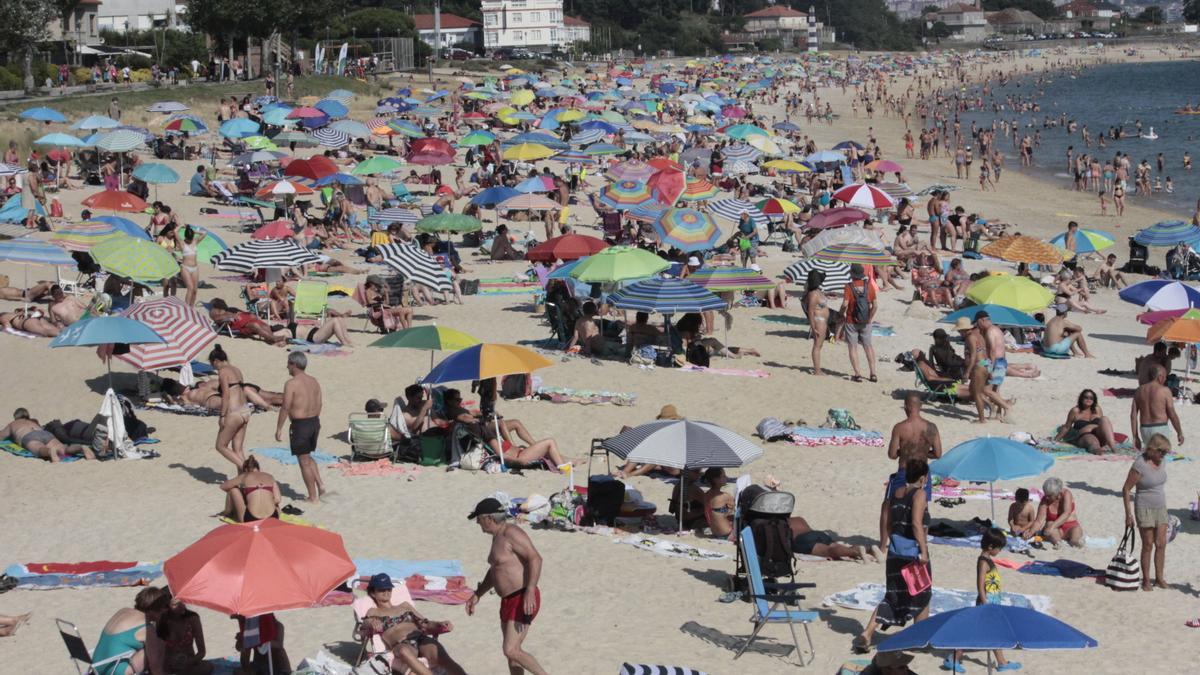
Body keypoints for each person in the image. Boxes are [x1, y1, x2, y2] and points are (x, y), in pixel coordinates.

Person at [853, 458, 931, 653]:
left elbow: (888, 522)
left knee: (893, 595)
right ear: (923, 478)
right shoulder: (919, 494)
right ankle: (918, 638)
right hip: (912, 552)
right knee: (921, 593)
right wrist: (923, 550)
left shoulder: (895, 493)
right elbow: (916, 523)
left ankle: (867, 633)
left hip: (895, 552)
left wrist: (886, 544)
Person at [466, 497, 549, 675]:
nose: (478, 523)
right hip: (508, 600)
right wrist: (478, 594)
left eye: (478, 519)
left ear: (489, 518)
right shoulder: (497, 537)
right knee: (512, 654)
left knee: (511, 649)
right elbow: (496, 569)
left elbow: (535, 558)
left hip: (522, 596)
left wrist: (530, 590)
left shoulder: (511, 533)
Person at [946, 529, 1020, 673]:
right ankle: (953, 658)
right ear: (991, 546)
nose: (999, 551)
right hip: (986, 602)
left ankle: (1002, 662)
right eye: (999, 548)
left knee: (994, 633)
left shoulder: (987, 559)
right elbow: (980, 583)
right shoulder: (983, 562)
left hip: (992, 601)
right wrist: (984, 600)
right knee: (974, 633)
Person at [441, 389, 572, 471]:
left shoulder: (488, 436)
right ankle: (562, 467)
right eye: (457, 399)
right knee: (550, 442)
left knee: (551, 449)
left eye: (460, 398)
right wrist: (518, 461)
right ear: (449, 401)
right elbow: (504, 457)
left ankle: (567, 461)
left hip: (519, 451)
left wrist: (484, 414)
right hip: (520, 455)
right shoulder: (456, 414)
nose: (460, 400)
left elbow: (471, 414)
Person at [361, 573, 465, 675]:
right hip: (402, 644)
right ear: (373, 593)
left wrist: (439, 624)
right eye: (381, 590)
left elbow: (425, 623)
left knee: (444, 659)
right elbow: (364, 625)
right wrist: (370, 622)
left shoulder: (405, 606)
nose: (386, 592)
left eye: (389, 589)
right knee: (403, 651)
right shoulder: (373, 612)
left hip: (420, 638)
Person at [1122, 433, 1171, 592]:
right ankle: (1146, 580)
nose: (1163, 455)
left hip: (1161, 506)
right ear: (1152, 450)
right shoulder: (1140, 464)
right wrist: (1128, 514)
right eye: (1161, 451)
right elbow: (1126, 489)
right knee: (1148, 545)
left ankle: (1160, 578)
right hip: (1144, 507)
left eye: (1165, 452)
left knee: (1161, 544)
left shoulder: (1162, 462)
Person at [91, 586, 171, 675]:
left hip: (96, 666)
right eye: (164, 608)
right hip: (114, 671)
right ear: (153, 610)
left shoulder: (123, 611)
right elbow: (155, 665)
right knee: (156, 645)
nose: (165, 611)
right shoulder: (146, 628)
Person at [277, 352, 324, 503]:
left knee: (303, 461)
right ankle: (320, 485)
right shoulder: (314, 381)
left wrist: (279, 428)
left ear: (294, 364)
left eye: (288, 364)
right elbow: (320, 403)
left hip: (301, 425)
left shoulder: (291, 383)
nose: (287, 367)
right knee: (308, 456)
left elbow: (285, 406)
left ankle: (312, 496)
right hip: (314, 422)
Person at [0, 407, 95, 461]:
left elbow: (1, 436)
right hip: (44, 433)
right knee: (63, 448)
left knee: (39, 449)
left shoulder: (12, 424)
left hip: (29, 436)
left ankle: (50, 452)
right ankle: (80, 448)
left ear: (15, 417)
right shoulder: (33, 421)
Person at [209, 345, 250, 469]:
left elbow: (226, 395)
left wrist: (222, 416)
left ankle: (248, 469)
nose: (213, 368)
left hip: (234, 412)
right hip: (245, 410)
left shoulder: (223, 372)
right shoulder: (236, 370)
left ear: (216, 361)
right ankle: (244, 482)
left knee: (220, 446)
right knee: (237, 449)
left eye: (212, 364)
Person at [1131, 365, 1183, 452]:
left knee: (1150, 457)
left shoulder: (1139, 390)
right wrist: (1179, 432)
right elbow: (1172, 414)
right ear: (1159, 377)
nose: (1165, 379)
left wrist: (1135, 436)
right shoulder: (1165, 391)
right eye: (1165, 377)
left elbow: (1133, 416)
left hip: (1144, 429)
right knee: (1160, 459)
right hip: (1160, 429)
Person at [840, 263, 878, 383]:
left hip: (851, 321)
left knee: (853, 347)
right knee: (868, 346)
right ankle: (873, 373)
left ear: (852, 273)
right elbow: (875, 305)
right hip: (866, 321)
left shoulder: (848, 286)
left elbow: (845, 304)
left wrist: (841, 314)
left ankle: (858, 374)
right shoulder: (869, 286)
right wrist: (870, 317)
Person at [156, 598, 212, 675]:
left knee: (207, 667)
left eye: (182, 602)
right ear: (167, 606)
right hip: (168, 664)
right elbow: (156, 649)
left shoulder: (192, 618)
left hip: (188, 662)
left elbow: (202, 652)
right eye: (175, 604)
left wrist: (188, 662)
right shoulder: (162, 619)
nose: (182, 606)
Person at [1055, 389, 1118, 454]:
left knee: (1104, 418)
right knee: (1093, 443)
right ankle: (1098, 451)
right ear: (1081, 398)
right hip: (1084, 436)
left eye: (1091, 398)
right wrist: (1056, 440)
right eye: (1086, 397)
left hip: (1099, 434)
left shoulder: (1097, 409)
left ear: (1094, 400)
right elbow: (1067, 427)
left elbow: (1103, 425)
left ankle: (1113, 448)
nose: (1088, 399)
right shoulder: (1075, 411)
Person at [220, 456, 280, 522]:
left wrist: (243, 493)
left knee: (233, 490)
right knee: (274, 502)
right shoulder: (270, 476)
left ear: (245, 470)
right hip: (272, 517)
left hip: (251, 519)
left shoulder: (245, 476)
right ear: (258, 468)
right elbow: (278, 499)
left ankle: (226, 512)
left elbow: (223, 486)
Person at [1036, 477, 1084, 548]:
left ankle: (1075, 541)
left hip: (1070, 526)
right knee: (1050, 526)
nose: (1046, 497)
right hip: (1054, 530)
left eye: (1049, 495)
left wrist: (1052, 527)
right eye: (1046, 494)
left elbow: (1066, 513)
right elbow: (1039, 520)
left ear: (1057, 493)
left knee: (1075, 536)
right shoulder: (1045, 500)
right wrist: (1030, 532)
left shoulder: (1066, 494)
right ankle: (1057, 542)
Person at [803, 270, 832, 376]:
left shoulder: (818, 291)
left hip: (823, 321)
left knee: (819, 345)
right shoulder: (813, 295)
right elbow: (810, 311)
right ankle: (817, 370)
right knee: (817, 345)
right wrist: (813, 327)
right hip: (818, 321)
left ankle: (817, 369)